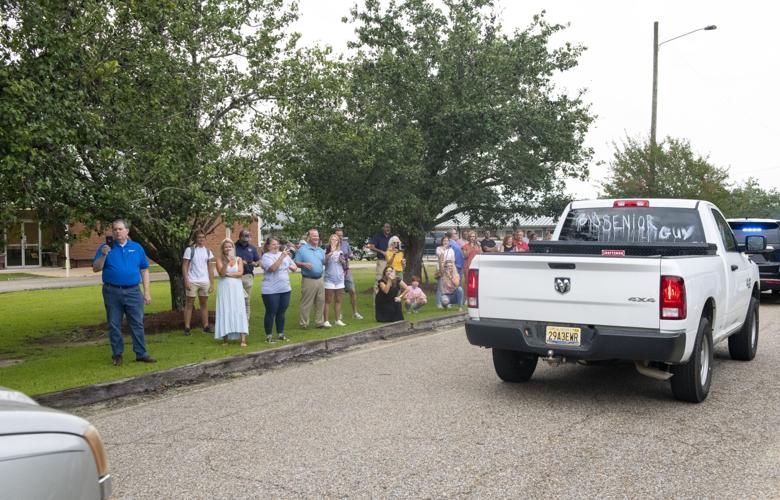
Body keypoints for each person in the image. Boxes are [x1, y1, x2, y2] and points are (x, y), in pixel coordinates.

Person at [92, 219, 156, 366]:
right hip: (112, 291)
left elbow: (144, 270)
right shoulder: (105, 248)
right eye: (115, 229)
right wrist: (103, 255)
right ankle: (117, 355)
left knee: (137, 323)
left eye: (120, 229)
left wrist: (147, 292)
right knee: (114, 324)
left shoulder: (137, 248)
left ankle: (141, 353)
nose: (117, 232)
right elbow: (96, 268)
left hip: (133, 291)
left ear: (127, 231)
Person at [260, 237, 297, 343]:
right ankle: (269, 336)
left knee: (281, 312)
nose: (276, 246)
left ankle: (280, 334)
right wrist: (281, 257)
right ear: (268, 246)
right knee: (271, 312)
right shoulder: (266, 256)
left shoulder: (284, 254)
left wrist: (293, 268)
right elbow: (272, 269)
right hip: (271, 290)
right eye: (273, 244)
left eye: (277, 244)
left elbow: (293, 266)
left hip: (285, 288)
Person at [215, 239, 249, 347]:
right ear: (223, 249)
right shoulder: (219, 259)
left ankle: (243, 339)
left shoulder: (239, 259)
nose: (228, 248)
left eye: (230, 246)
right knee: (225, 309)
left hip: (236, 288)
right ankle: (225, 339)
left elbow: (240, 273)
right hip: (224, 288)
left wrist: (228, 274)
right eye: (226, 247)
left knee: (239, 309)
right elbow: (221, 273)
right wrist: (227, 263)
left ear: (233, 248)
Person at [182, 230, 214, 336]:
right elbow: (185, 265)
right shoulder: (189, 250)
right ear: (195, 239)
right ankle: (187, 327)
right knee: (189, 303)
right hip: (192, 281)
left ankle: (205, 326)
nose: (201, 239)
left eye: (203, 237)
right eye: (199, 237)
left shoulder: (208, 251)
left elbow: (210, 268)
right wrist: (186, 280)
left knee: (204, 304)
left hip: (204, 281)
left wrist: (212, 283)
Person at [295, 229, 327, 328]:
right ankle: (304, 323)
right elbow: (295, 262)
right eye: (313, 236)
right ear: (308, 237)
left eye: (317, 236)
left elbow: (325, 262)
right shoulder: (302, 249)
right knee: (306, 303)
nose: (316, 238)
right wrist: (303, 264)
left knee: (320, 301)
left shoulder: (320, 250)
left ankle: (319, 322)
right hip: (308, 279)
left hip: (320, 279)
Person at [335, 228, 363, 320]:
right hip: (337, 272)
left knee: (352, 291)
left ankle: (355, 313)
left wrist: (351, 256)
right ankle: (340, 314)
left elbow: (350, 254)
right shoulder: (332, 245)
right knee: (339, 293)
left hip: (347, 271)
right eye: (339, 235)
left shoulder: (346, 244)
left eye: (341, 235)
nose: (340, 237)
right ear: (335, 236)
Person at [234, 229, 261, 320]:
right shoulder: (233, 247)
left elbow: (258, 262)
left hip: (248, 276)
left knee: (246, 301)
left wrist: (255, 263)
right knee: (236, 300)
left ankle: (246, 322)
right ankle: (237, 320)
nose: (246, 240)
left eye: (248, 237)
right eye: (244, 237)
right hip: (235, 276)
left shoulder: (252, 248)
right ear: (240, 237)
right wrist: (239, 262)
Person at [323, 233, 347, 327]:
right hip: (329, 278)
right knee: (328, 300)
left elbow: (344, 265)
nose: (334, 241)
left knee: (338, 300)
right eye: (332, 239)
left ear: (338, 242)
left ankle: (338, 320)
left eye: (336, 240)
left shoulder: (340, 252)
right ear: (330, 241)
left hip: (339, 279)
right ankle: (326, 321)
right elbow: (324, 262)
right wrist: (331, 252)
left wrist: (343, 261)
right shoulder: (326, 251)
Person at [368, 223, 392, 289]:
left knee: (390, 279)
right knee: (379, 279)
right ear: (383, 228)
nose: (388, 229)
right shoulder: (378, 236)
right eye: (386, 227)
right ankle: (376, 298)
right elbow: (371, 247)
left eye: (389, 227)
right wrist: (381, 251)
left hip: (390, 262)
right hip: (382, 261)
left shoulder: (391, 237)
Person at [435, 235, 455, 308]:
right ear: (442, 242)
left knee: (447, 287)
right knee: (440, 287)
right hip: (441, 269)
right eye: (444, 241)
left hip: (449, 270)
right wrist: (444, 248)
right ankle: (439, 303)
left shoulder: (451, 250)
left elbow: (453, 260)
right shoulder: (438, 249)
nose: (446, 242)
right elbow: (440, 256)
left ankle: (446, 302)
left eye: (447, 241)